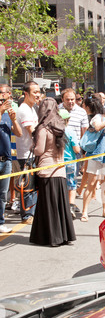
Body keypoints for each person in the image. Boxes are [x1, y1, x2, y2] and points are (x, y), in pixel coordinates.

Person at [29, 98, 76, 247]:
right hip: (60, 170)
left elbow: (39, 150)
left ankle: (50, 237)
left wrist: (32, 147)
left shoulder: (43, 128)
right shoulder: (61, 126)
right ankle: (64, 236)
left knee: (47, 206)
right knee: (61, 206)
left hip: (46, 170)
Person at [15, 81, 41, 224]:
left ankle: (32, 212)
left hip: (33, 153)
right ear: (26, 94)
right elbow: (32, 132)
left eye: (39, 91)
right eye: (35, 92)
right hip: (26, 154)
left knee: (33, 185)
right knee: (28, 186)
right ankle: (27, 215)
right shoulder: (24, 109)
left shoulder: (32, 108)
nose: (38, 95)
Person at [0, 97, 22, 233]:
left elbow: (19, 133)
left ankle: (1, 222)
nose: (3, 102)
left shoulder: (7, 117)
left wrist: (13, 119)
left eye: (4, 99)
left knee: (3, 194)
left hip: (6, 159)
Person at [76, 95, 104, 199]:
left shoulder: (90, 118)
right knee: (91, 171)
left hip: (89, 147)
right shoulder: (100, 116)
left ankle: (84, 190)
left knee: (88, 171)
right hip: (96, 147)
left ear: (87, 107)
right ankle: (91, 192)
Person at [61, 109, 81, 220]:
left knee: (61, 185)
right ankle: (70, 207)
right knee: (72, 185)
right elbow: (76, 149)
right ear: (68, 119)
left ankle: (61, 207)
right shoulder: (70, 131)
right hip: (70, 162)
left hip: (58, 163)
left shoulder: (54, 131)